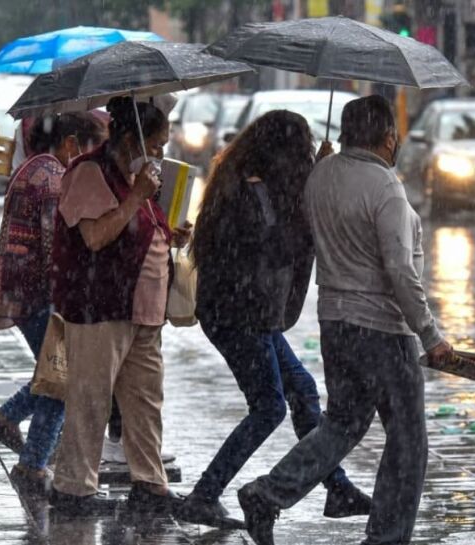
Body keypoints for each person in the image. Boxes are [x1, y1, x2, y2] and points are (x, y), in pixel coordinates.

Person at [236, 96, 453, 545]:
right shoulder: (385, 186)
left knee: (342, 424)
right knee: (408, 441)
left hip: (336, 324)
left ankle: (269, 493)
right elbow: (399, 269)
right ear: (388, 136)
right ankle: (387, 537)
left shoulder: (321, 176)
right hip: (383, 329)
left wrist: (322, 167)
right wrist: (430, 334)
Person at [177, 111, 371, 528]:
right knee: (268, 408)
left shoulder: (255, 182)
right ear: (281, 151)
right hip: (238, 316)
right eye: (300, 148)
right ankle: (205, 494)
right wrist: (312, 190)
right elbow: (276, 247)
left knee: (301, 390)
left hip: (248, 314)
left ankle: (336, 488)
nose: (303, 156)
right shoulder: (250, 191)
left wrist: (315, 177)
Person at [48, 96, 191, 516]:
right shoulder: (90, 173)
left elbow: (141, 228)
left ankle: (149, 483)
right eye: (158, 144)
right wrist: (138, 196)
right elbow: (95, 236)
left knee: (145, 402)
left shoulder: (137, 177)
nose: (162, 152)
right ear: (132, 139)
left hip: (144, 311)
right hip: (100, 306)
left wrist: (170, 234)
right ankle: (74, 487)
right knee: (91, 399)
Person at [0, 112, 107, 495]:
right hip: (39, 294)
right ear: (71, 144)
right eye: (89, 150)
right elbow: (57, 247)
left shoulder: (32, 167)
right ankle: (32, 463)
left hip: (23, 290)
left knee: (54, 372)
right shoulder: (52, 179)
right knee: (62, 378)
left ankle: (6, 418)